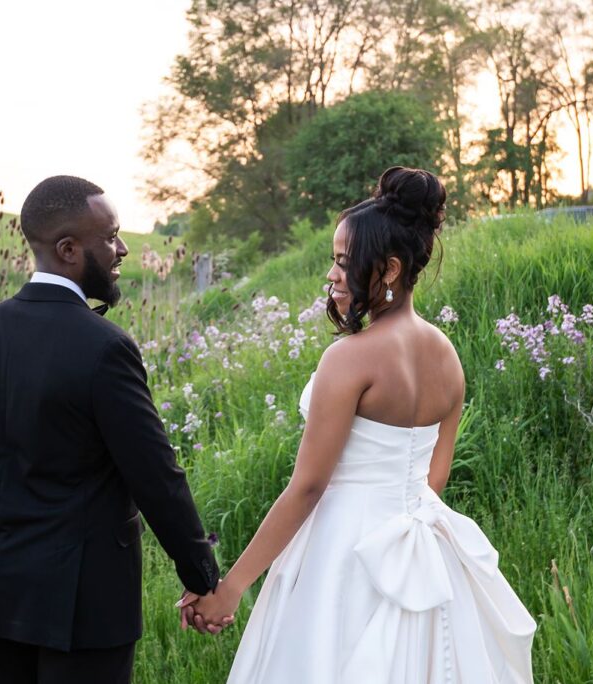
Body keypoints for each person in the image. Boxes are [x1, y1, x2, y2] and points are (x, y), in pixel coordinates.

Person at [181, 167, 536, 682]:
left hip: (343, 555)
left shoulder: (349, 359)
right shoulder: (447, 356)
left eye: (344, 263)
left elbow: (307, 487)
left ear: (389, 269)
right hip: (423, 554)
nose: (331, 276)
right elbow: (435, 479)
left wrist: (230, 588)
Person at [0, 175, 220, 684]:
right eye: (111, 236)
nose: (122, 249)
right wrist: (203, 578)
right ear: (69, 249)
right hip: (85, 606)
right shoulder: (104, 347)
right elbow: (156, 477)